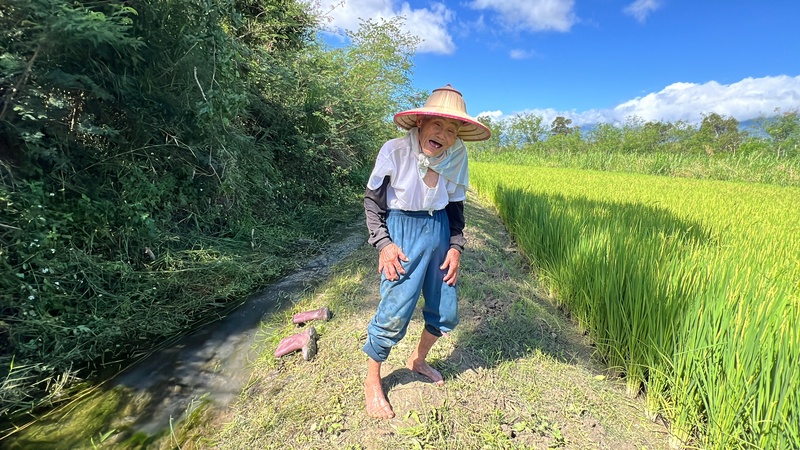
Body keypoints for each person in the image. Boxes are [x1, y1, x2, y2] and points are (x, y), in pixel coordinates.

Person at [362, 84, 491, 419]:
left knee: (445, 310)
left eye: (451, 130)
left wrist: (456, 247)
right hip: (402, 232)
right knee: (394, 310)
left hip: (439, 230)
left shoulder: (456, 157)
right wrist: (384, 244)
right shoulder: (394, 151)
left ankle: (418, 359)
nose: (443, 135)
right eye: (437, 125)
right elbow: (373, 203)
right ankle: (373, 379)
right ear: (420, 122)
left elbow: (456, 210)